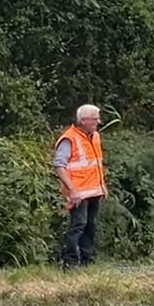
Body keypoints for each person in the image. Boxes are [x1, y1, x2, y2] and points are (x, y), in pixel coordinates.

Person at [53, 104, 107, 269]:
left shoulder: (95, 136)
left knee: (90, 226)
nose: (98, 121)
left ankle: (86, 260)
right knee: (78, 226)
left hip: (93, 190)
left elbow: (97, 164)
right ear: (83, 121)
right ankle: (70, 262)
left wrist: (102, 185)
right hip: (78, 192)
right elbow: (59, 165)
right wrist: (72, 189)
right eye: (95, 119)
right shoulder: (69, 138)